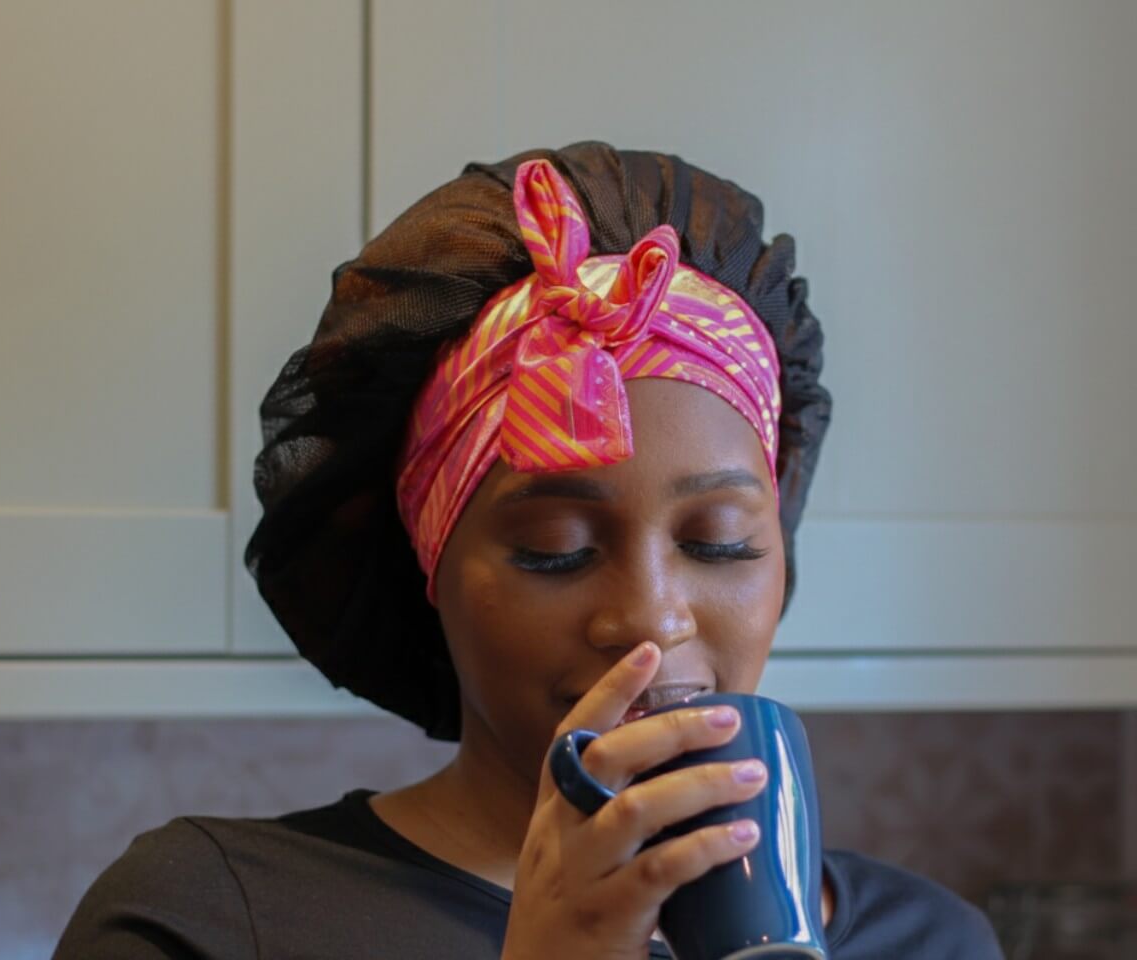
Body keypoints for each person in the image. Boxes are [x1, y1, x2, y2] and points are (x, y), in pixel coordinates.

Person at [52, 141, 1004, 958]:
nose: (649, 616)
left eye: (719, 544)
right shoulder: (213, 920)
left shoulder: (933, 940)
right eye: (554, 549)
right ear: (431, 570)